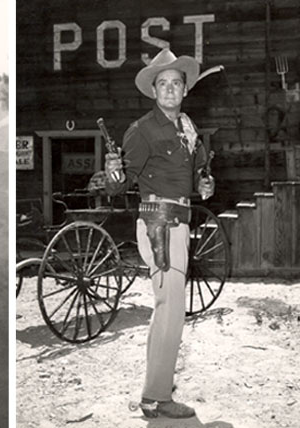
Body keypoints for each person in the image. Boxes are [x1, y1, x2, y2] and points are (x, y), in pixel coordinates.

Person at [104, 48, 215, 419]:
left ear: (185, 90)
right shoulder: (141, 130)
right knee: (171, 312)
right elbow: (119, 187)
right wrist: (115, 172)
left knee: (168, 311)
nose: (170, 90)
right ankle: (155, 396)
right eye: (163, 84)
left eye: (176, 83)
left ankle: (158, 384)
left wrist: (205, 184)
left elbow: (198, 173)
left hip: (180, 220)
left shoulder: (187, 127)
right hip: (158, 222)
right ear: (154, 91)